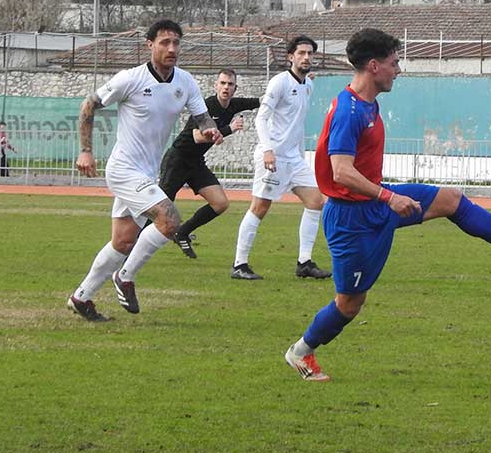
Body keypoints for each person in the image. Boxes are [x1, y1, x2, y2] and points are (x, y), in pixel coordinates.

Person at [283, 28, 491, 382]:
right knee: (350, 304)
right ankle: (301, 351)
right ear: (373, 66)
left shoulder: (368, 102)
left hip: (374, 202)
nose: (398, 69)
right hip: (350, 220)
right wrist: (390, 196)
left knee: (451, 199)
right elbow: (340, 172)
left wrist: (385, 196)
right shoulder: (350, 111)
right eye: (394, 63)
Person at [66, 19, 222, 322]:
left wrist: (212, 130)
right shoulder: (130, 79)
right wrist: (85, 150)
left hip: (147, 173)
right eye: (165, 42)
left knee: (123, 241)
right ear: (149, 45)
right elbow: (89, 105)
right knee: (170, 219)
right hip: (124, 170)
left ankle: (81, 297)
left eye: (176, 42)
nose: (172, 48)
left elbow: (203, 118)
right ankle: (125, 277)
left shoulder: (185, 82)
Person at [232, 35, 331, 280]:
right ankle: (239, 265)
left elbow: (296, 124)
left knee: (317, 201)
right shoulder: (278, 83)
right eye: (301, 53)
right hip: (273, 157)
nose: (306, 57)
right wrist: (267, 149)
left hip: (294, 159)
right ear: (290, 57)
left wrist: (299, 153)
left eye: (310, 53)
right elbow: (261, 118)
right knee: (260, 207)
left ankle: (304, 262)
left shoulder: (309, 84)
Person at [159, 68, 260, 258]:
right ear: (216, 86)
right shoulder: (206, 106)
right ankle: (132, 244)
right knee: (161, 208)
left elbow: (263, 101)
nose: (226, 87)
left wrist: (299, 82)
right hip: (178, 159)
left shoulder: (233, 105)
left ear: (235, 88)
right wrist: (228, 129)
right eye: (222, 83)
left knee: (220, 203)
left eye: (230, 84)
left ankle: (183, 232)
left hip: (196, 163)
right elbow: (197, 137)